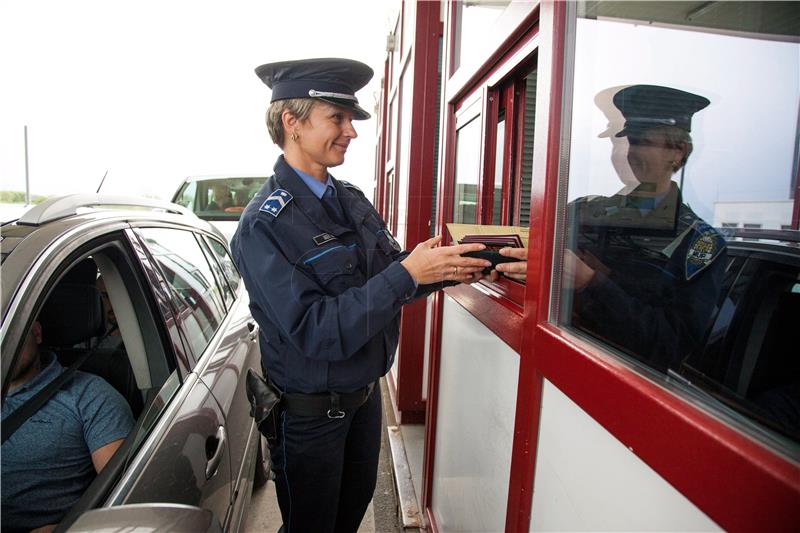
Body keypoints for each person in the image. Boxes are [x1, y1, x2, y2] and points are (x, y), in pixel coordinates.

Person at [230, 57, 491, 533]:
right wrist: (408, 273)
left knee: (349, 517)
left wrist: (456, 264)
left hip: (363, 401)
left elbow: (389, 275)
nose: (351, 131)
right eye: (338, 118)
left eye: (350, 119)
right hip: (311, 421)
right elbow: (316, 331)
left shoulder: (349, 197)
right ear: (292, 122)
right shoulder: (263, 226)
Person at [494, 84, 726, 373]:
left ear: (678, 151)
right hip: (555, 361)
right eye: (626, 141)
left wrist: (591, 283)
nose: (629, 152)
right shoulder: (581, 211)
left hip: (622, 383)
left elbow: (669, 346)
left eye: (642, 141)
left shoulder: (698, 241)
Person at [1, 320, 134, 533]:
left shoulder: (90, 396)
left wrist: (63, 530)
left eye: (8, 333)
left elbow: (127, 496)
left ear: (36, 332)